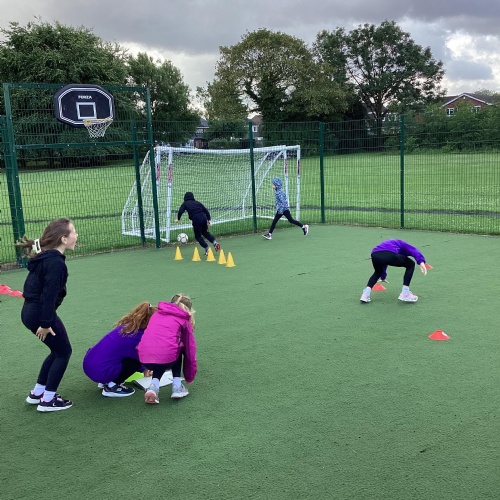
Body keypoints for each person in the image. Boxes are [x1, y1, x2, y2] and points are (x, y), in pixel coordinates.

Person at [17, 218, 78, 412]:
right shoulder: (55, 263)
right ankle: (48, 400)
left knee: (57, 351)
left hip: (30, 313)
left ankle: (38, 393)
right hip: (41, 314)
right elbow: (49, 295)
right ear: (64, 239)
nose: (76, 235)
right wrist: (45, 323)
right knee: (64, 352)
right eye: (73, 232)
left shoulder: (46, 257)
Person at [83, 302, 158, 397]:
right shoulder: (139, 336)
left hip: (89, 364)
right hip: (100, 372)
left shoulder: (128, 326)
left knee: (120, 356)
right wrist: (146, 369)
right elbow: (140, 358)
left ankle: (106, 381)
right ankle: (112, 386)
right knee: (135, 362)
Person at [137, 293, 197, 405]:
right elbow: (190, 350)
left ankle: (153, 387)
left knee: (165, 352)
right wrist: (190, 375)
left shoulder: (156, 314)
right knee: (176, 348)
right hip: (166, 357)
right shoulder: (183, 320)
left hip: (144, 357)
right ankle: (177, 386)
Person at [360, 239, 428, 303]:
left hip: (375, 254)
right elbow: (414, 250)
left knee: (378, 272)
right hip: (388, 253)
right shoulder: (403, 244)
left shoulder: (391, 244)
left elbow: (384, 261)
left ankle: (365, 295)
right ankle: (405, 293)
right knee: (411, 264)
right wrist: (421, 261)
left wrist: (383, 277)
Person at [176, 192, 220, 257]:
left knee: (198, 236)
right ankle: (215, 243)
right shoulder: (197, 203)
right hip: (204, 217)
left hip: (196, 219)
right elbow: (206, 211)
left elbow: (180, 211)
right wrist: (209, 220)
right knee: (205, 232)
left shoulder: (185, 203)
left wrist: (178, 218)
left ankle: (207, 248)